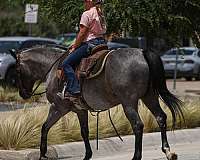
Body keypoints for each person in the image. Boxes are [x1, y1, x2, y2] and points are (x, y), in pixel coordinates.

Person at [58, 0, 107, 98]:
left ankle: (74, 89)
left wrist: (75, 46)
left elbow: (82, 33)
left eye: (85, 1)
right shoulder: (101, 14)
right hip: (102, 43)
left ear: (90, 2)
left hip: (90, 44)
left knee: (66, 63)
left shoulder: (87, 14)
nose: (84, 3)